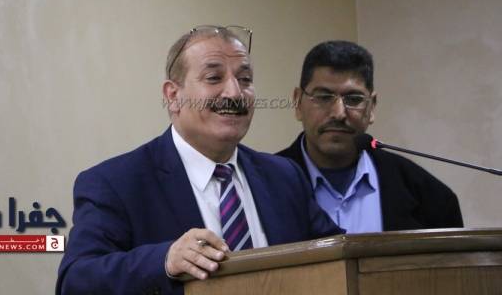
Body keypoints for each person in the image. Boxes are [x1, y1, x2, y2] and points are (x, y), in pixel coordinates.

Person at [56, 26, 341, 295]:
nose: (235, 93)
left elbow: (340, 256)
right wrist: (165, 261)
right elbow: (76, 281)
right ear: (173, 96)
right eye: (214, 78)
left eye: (245, 79)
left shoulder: (285, 176)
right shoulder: (116, 183)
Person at [277, 40, 463, 233]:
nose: (339, 113)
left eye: (353, 99)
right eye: (323, 97)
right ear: (298, 103)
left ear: (371, 107)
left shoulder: (431, 197)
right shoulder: (264, 187)